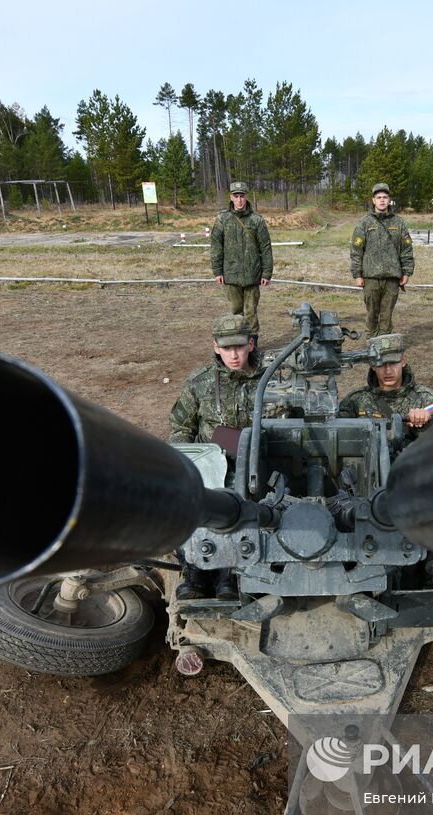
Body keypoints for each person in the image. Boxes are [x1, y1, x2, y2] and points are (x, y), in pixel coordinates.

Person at [169, 314, 264, 599]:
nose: (233, 354)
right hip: (209, 465)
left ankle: (230, 574)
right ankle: (195, 572)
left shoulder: (271, 381)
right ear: (215, 347)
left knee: (246, 508)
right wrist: (184, 466)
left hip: (255, 466)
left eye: (239, 347)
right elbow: (181, 428)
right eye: (226, 348)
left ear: (250, 344)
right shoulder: (200, 383)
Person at [339, 333, 433, 447]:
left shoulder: (428, 399)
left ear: (404, 360)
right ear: (372, 365)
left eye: (394, 363)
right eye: (381, 364)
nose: (388, 371)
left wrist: (427, 420)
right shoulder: (355, 401)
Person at [350, 183, 414, 337]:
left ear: (389, 200)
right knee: (372, 315)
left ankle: (385, 348)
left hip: (392, 278)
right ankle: (372, 347)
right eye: (379, 197)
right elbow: (356, 251)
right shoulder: (364, 223)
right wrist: (357, 275)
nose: (382, 200)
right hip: (371, 278)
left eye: (385, 197)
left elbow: (406, 249)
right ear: (373, 200)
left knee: (387, 316)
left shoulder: (398, 223)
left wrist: (407, 272)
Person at [210, 181, 273, 338]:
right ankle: (238, 345)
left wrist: (266, 273)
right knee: (236, 312)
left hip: (252, 275)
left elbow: (265, 247)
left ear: (246, 197)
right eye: (236, 196)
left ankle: (253, 349)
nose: (239, 200)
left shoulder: (257, 220)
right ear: (231, 197)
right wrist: (217, 271)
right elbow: (216, 246)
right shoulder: (222, 219)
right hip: (231, 274)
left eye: (242, 196)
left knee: (251, 313)